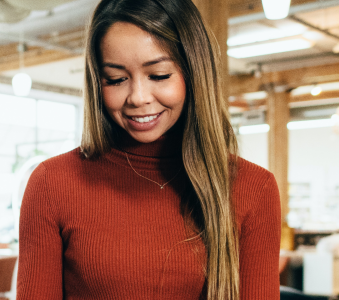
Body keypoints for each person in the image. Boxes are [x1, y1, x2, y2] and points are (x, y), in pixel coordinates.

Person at [16, 0, 280, 299]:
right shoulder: (53, 183)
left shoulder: (253, 188)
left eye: (159, 75)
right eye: (116, 79)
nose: (138, 97)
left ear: (193, 73)